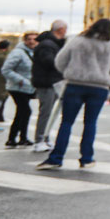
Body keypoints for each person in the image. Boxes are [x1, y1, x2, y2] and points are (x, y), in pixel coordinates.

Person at [36, 18, 110, 169]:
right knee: (90, 123)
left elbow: (59, 61)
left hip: (75, 85)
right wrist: (107, 76)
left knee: (66, 122)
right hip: (99, 88)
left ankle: (56, 158)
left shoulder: (77, 41)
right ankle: (86, 158)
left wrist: (70, 72)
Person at [30, 19, 67, 151]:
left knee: (49, 112)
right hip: (47, 82)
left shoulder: (49, 43)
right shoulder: (48, 45)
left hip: (50, 81)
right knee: (46, 112)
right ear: (61, 30)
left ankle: (44, 139)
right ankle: (40, 140)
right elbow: (49, 61)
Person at [1, 31, 37, 147]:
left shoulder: (34, 52)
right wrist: (21, 80)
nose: (32, 41)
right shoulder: (18, 52)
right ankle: (12, 138)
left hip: (27, 87)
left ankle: (22, 138)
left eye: (34, 39)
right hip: (17, 87)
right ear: (24, 40)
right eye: (29, 39)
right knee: (25, 111)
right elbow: (6, 69)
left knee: (23, 112)